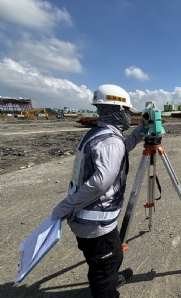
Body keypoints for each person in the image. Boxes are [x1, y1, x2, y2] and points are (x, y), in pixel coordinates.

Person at [52, 84, 144, 298]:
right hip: (94, 223)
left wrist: (140, 131)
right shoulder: (110, 141)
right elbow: (101, 182)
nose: (129, 116)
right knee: (105, 264)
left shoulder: (98, 134)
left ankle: (110, 278)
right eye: (127, 112)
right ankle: (106, 288)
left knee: (112, 257)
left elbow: (120, 149)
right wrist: (65, 206)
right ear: (118, 111)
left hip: (88, 219)